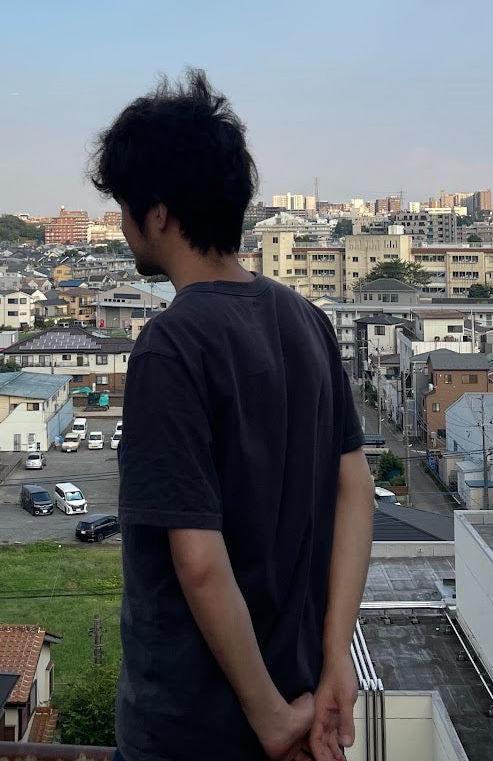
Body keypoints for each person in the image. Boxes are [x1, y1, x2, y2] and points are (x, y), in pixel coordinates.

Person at [90, 69, 374, 761]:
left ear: (158, 213)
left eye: (124, 207)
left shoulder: (170, 345)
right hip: (304, 694)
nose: (122, 226)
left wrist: (269, 717)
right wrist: (337, 656)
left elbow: (198, 562)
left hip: (192, 730)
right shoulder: (307, 321)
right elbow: (356, 490)